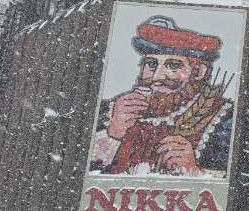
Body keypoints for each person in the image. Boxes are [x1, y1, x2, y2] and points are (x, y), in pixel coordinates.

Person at [90, 16, 234, 177]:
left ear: (199, 72)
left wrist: (195, 172)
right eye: (151, 64)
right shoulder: (110, 110)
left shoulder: (224, 120)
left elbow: (238, 183)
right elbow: (77, 171)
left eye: (173, 65)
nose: (158, 76)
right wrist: (112, 135)